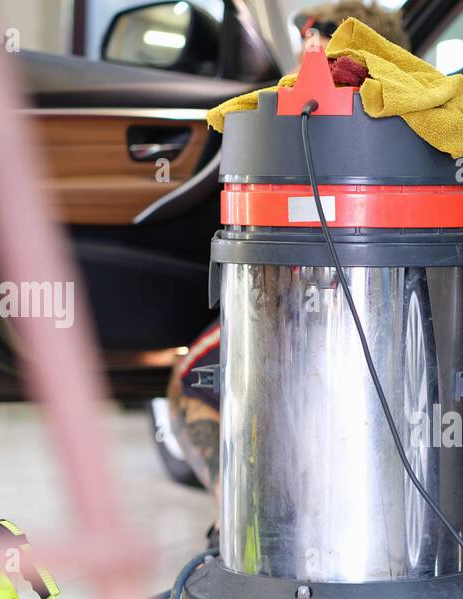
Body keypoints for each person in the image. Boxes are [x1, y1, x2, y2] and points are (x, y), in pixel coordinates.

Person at [164, 2, 408, 503]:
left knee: (191, 377)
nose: (299, 73)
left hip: (299, 302)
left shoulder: (301, 116)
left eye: (308, 53)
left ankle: (233, 513)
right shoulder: (414, 121)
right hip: (394, 319)